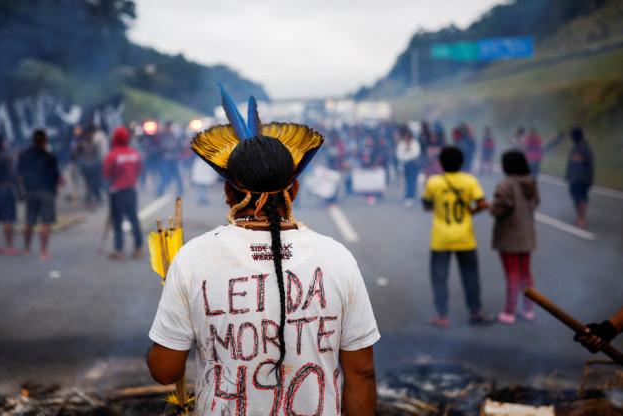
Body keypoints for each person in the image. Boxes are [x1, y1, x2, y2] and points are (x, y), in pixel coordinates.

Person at [147, 87, 380, 415]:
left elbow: (164, 371)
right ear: (294, 189)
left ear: (228, 192)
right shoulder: (337, 258)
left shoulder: (192, 259)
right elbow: (362, 371)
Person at [422, 146, 491, 328]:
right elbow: (482, 203)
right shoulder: (469, 181)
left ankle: (442, 316)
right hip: (465, 238)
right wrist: (471, 211)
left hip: (441, 238)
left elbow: (426, 206)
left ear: (441, 163)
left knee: (439, 278)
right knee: (470, 277)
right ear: (462, 162)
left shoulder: (434, 182)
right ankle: (475, 313)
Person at [489, 150, 540, 324]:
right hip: (526, 236)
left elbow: (499, 209)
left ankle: (509, 312)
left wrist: (490, 207)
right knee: (525, 274)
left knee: (512, 275)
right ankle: (527, 309)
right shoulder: (531, 183)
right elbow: (536, 202)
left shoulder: (506, 185)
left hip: (509, 237)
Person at [17, 129, 60, 260]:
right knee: (45, 223)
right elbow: (56, 176)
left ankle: (26, 249)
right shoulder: (50, 156)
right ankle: (43, 252)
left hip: (31, 191)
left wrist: (23, 188)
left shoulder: (24, 155)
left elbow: (20, 175)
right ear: (45, 140)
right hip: (46, 192)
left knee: (29, 221)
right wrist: (55, 188)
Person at [102, 126, 143, 260]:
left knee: (118, 221)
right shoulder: (134, 153)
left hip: (117, 192)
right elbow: (139, 170)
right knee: (134, 219)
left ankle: (119, 250)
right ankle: (138, 248)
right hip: (131, 190)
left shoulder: (112, 155)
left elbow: (106, 174)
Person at [565, 127, 594, 228]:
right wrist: (567, 175)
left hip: (583, 180)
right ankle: (579, 215)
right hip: (573, 179)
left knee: (582, 200)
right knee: (575, 199)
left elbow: (590, 166)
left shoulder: (586, 149)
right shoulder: (574, 148)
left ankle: (581, 218)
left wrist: (590, 180)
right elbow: (570, 163)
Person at [395, 125, 421, 207]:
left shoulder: (414, 143)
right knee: (406, 181)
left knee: (412, 181)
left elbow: (416, 153)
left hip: (413, 164)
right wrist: (405, 157)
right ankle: (408, 195)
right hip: (405, 164)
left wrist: (407, 155)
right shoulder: (401, 144)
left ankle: (411, 196)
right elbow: (399, 154)